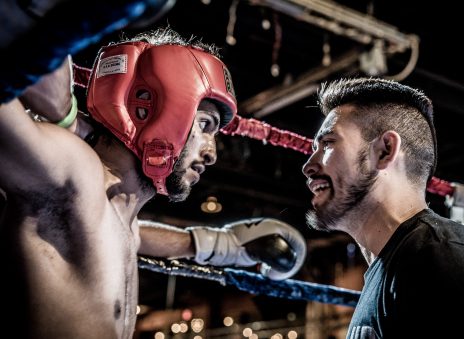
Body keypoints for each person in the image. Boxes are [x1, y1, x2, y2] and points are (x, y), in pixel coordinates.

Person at [0, 27, 305, 338]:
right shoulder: (74, 171)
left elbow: (130, 236)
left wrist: (217, 245)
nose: (212, 153)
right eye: (204, 125)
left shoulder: (117, 214)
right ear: (155, 108)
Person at [302, 77, 464, 339]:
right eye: (314, 148)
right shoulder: (396, 270)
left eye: (328, 143)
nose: (308, 165)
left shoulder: (443, 261)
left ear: (385, 150)